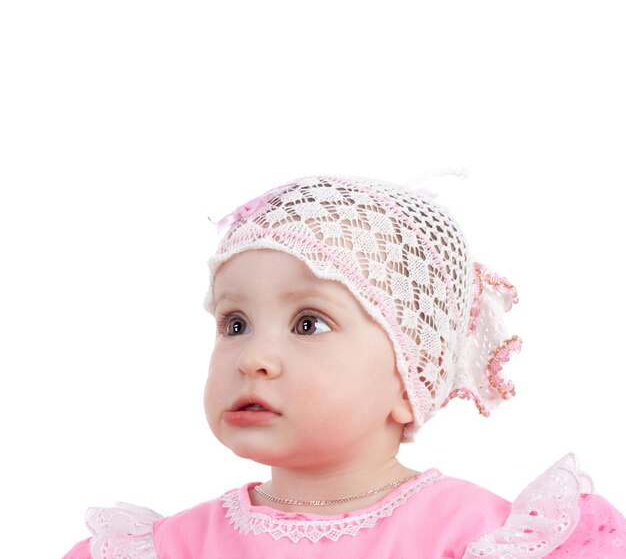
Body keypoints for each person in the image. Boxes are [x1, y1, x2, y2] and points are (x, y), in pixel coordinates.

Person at [63, 174, 626, 558]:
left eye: (309, 323)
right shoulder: (175, 546)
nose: (252, 358)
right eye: (234, 323)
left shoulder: (475, 535)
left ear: (411, 378)